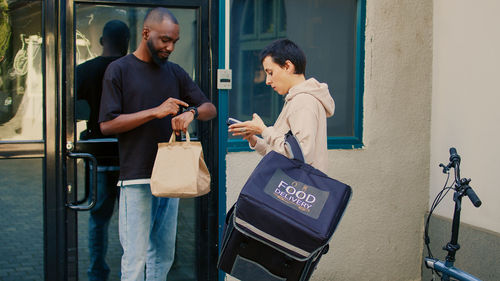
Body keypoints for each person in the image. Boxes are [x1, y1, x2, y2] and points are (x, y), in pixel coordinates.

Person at [98, 7, 217, 281]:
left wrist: (192, 113)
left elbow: (210, 108)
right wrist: (155, 111)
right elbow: (107, 124)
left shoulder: (174, 72)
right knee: (135, 260)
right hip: (136, 179)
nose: (170, 47)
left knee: (163, 256)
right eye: (165, 40)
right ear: (146, 33)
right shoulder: (118, 70)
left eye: (174, 41)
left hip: (171, 177)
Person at [76, 19, 130, 281]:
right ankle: (131, 272)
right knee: (132, 223)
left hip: (95, 155)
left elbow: (72, 111)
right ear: (128, 42)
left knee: (98, 221)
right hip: (128, 156)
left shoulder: (83, 71)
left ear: (101, 41)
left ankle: (97, 273)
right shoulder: (132, 71)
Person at [228, 39, 335, 173]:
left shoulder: (303, 101)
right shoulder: (298, 99)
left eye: (270, 72)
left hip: (298, 189)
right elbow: (284, 153)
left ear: (287, 66)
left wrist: (264, 130)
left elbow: (301, 156)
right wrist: (255, 140)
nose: (267, 81)